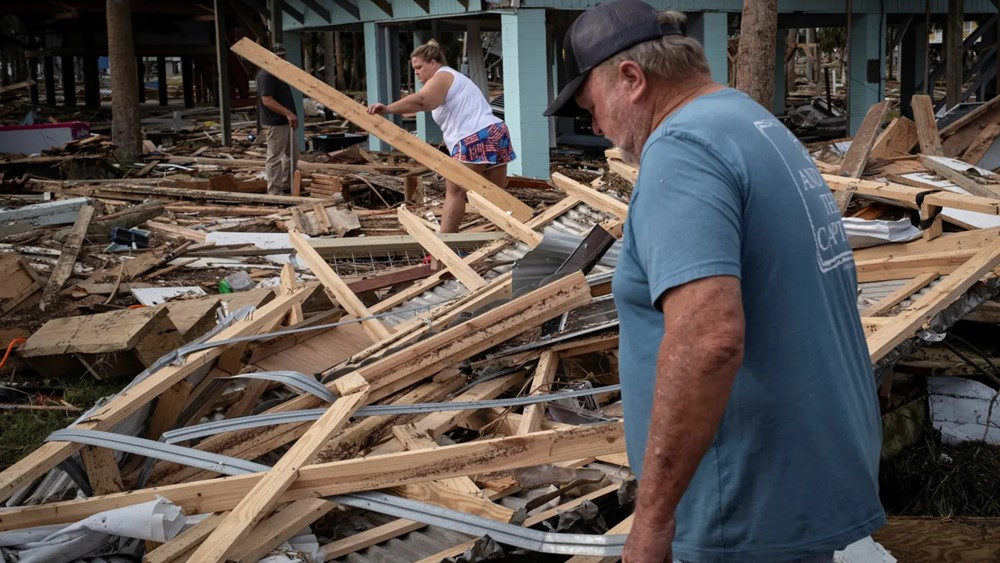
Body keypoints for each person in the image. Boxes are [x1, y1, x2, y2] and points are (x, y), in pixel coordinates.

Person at [543, 1, 885, 562]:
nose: (597, 127)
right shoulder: (748, 122)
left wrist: (652, 522)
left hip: (742, 505)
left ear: (631, 79)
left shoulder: (682, 151)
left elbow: (708, 340)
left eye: (591, 108)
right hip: (796, 482)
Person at [366, 39, 516, 234]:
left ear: (433, 63)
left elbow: (422, 101)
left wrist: (388, 108)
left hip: (475, 137)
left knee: (455, 191)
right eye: (414, 69)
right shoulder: (453, 80)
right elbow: (418, 106)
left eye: (419, 67)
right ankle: (509, 237)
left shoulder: (442, 76)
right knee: (495, 195)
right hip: (496, 132)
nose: (417, 72)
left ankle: (446, 245)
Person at [257, 43, 300, 195]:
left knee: (292, 155)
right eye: (278, 56)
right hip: (275, 123)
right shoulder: (266, 74)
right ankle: (275, 191)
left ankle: (286, 185)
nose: (281, 58)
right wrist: (288, 113)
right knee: (275, 157)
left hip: (285, 122)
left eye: (283, 55)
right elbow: (267, 100)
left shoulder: (279, 72)